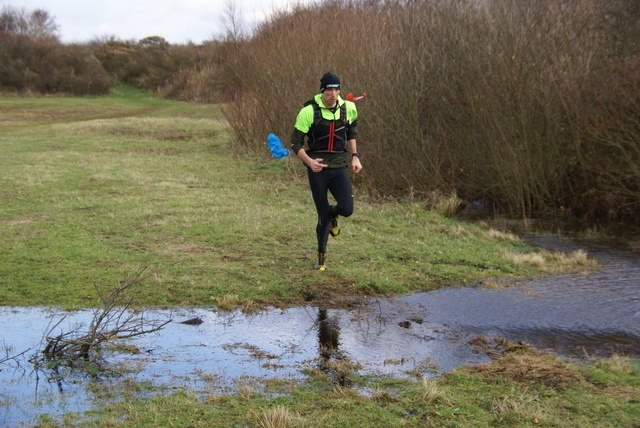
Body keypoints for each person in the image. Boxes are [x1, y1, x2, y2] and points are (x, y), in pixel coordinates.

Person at [290, 72, 363, 271]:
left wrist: (355, 156)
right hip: (318, 168)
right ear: (322, 91)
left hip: (339, 165)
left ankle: (334, 213)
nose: (333, 93)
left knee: (347, 209)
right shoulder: (308, 111)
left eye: (336, 89)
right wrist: (309, 162)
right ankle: (321, 260)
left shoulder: (349, 108)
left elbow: (351, 132)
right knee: (322, 217)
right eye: (329, 90)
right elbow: (295, 143)